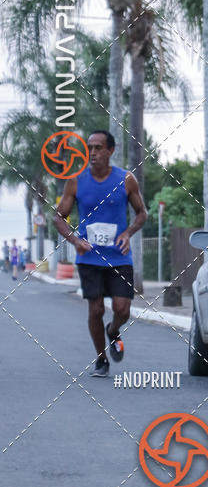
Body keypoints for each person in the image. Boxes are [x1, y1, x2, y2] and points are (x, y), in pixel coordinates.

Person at [53, 130, 147, 377]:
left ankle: (113, 330)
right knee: (95, 310)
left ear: (110, 151)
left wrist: (128, 232)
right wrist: (75, 240)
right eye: (89, 148)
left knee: (122, 310)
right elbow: (58, 217)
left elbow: (141, 213)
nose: (92, 153)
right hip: (89, 258)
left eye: (98, 147)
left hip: (119, 257)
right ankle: (101, 359)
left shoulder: (126, 179)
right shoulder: (76, 181)